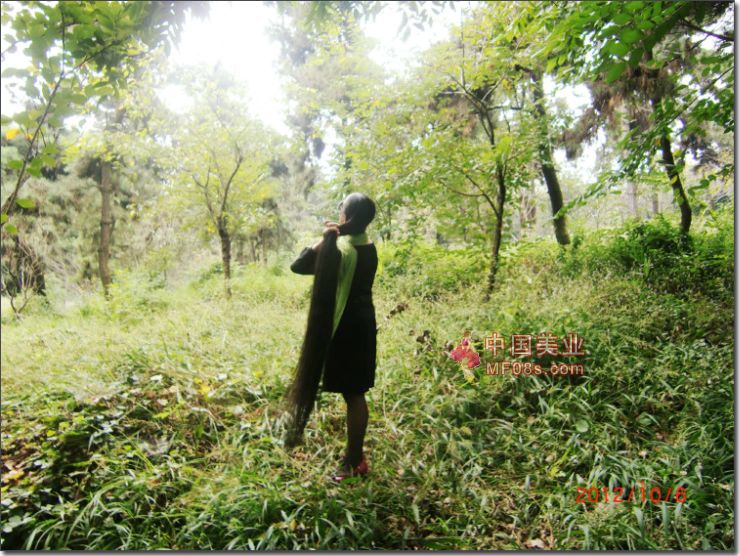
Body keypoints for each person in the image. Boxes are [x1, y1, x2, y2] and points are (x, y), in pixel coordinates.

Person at [284, 192, 378, 482]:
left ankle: (354, 461)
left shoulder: (340, 250)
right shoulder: (368, 247)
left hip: (345, 327)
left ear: (346, 216)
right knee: (356, 393)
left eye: (341, 209)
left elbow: (298, 266)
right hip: (364, 324)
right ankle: (355, 458)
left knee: (353, 394)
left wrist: (325, 239)